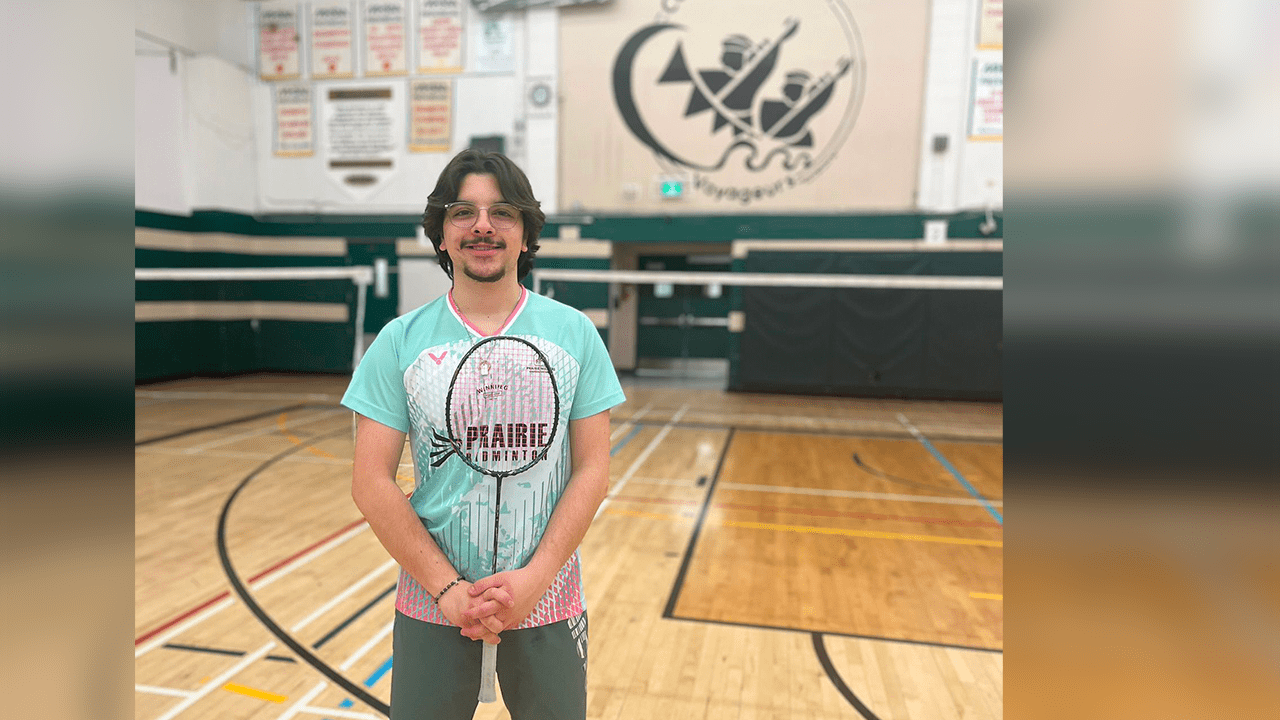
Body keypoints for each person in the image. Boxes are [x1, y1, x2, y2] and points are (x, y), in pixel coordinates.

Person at [341, 148, 625, 719]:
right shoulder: (399, 343)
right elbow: (370, 481)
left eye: (502, 212)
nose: (483, 226)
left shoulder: (575, 335)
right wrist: (448, 592)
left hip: (548, 600)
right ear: (441, 236)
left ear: (525, 234)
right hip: (432, 602)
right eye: (462, 212)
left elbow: (594, 467)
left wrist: (533, 581)